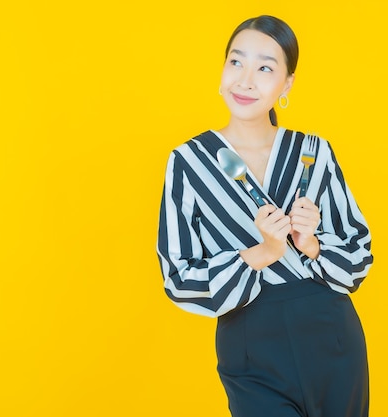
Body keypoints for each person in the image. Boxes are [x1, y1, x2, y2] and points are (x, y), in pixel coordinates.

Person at [156, 15, 374, 417]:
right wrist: (261, 252)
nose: (246, 80)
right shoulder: (188, 162)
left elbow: (359, 256)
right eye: (236, 62)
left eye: (265, 68)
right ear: (222, 71)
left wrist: (312, 244)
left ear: (286, 84)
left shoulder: (315, 152)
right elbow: (178, 278)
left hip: (331, 334)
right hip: (250, 343)